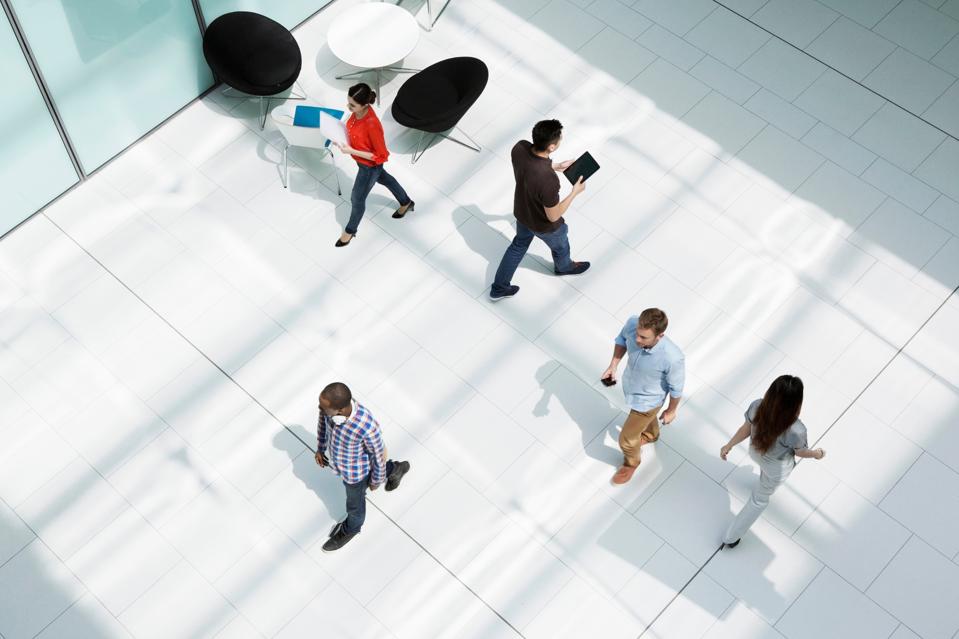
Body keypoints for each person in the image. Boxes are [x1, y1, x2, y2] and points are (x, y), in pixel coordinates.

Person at [719, 375, 825, 548]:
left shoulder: (756, 406)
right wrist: (816, 454)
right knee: (759, 500)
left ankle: (763, 478)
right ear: (796, 404)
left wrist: (729, 445)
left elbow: (745, 429)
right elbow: (801, 452)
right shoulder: (797, 430)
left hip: (754, 452)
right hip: (776, 466)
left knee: (764, 473)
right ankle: (731, 537)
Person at [489, 119, 590, 301]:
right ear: (552, 147)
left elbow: (529, 167)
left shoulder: (519, 148)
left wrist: (554, 166)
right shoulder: (549, 181)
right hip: (544, 226)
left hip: (522, 213)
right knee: (561, 245)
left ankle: (499, 288)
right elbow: (553, 216)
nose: (560, 141)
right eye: (559, 139)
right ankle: (564, 267)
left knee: (518, 246)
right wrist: (574, 192)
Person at [315, 382, 411, 552]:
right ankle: (396, 469)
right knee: (367, 481)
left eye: (323, 408)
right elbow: (322, 426)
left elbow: (378, 456)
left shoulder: (366, 426)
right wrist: (320, 448)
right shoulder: (328, 412)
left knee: (354, 505)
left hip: (355, 474)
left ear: (340, 411)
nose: (320, 409)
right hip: (343, 464)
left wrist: (376, 480)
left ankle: (351, 529)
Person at [602, 308, 685, 485]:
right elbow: (622, 340)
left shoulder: (672, 357)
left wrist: (671, 410)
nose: (637, 340)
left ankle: (632, 463)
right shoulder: (633, 324)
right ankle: (651, 434)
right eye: (638, 334)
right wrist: (613, 365)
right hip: (632, 387)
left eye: (644, 338)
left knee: (626, 439)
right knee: (646, 423)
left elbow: (676, 388)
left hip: (649, 400)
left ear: (659, 336)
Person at [332, 83, 414, 247]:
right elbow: (352, 129)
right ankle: (406, 202)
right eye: (348, 102)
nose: (348, 107)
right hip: (363, 163)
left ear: (364, 105)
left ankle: (350, 231)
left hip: (369, 167)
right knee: (386, 179)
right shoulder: (356, 114)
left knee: (357, 198)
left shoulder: (372, 125)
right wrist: (340, 137)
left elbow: (380, 155)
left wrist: (350, 151)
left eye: (352, 105)